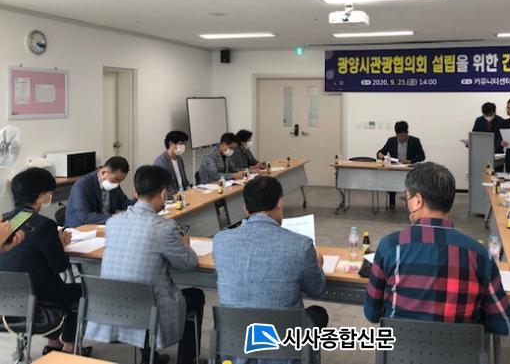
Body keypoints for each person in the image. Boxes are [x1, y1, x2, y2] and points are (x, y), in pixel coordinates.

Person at [364, 162, 510, 335]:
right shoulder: (480, 255)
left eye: (407, 198)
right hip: (460, 348)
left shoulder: (390, 246)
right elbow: (505, 325)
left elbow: (372, 314)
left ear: (418, 201)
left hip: (399, 347)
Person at [84, 165, 204, 364]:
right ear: (164, 193)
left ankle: (149, 357)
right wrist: (185, 244)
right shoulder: (164, 227)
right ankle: (187, 360)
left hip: (112, 304)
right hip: (148, 307)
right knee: (196, 295)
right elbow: (189, 263)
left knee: (141, 284)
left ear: (135, 192)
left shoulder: (113, 223)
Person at [213, 176, 328, 348]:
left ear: (245, 207)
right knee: (319, 314)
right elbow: (316, 290)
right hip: (283, 345)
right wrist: (318, 265)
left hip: (234, 343)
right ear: (279, 204)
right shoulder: (301, 245)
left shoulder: (220, 240)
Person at [0, 168, 90, 356]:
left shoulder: (5, 221)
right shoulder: (44, 225)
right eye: (49, 192)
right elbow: (61, 266)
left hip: (6, 300)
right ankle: (69, 347)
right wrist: (59, 245)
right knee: (84, 292)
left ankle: (53, 343)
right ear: (41, 195)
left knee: (51, 287)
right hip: (40, 298)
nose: (50, 196)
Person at [65, 156, 133, 228]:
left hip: (104, 225)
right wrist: (114, 217)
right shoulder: (82, 185)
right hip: (80, 228)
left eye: (120, 181)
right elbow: (84, 216)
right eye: (116, 180)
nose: (117, 184)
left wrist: (139, 206)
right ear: (103, 173)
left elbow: (123, 202)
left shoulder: (114, 183)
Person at [376, 121, 426, 209]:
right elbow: (380, 153)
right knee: (392, 182)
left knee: (411, 186)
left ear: (407, 133)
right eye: (400, 136)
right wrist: (381, 155)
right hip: (395, 168)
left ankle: (412, 203)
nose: (402, 138)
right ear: (396, 134)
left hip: (409, 169)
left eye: (404, 136)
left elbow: (422, 156)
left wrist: (410, 161)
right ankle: (392, 202)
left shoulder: (415, 141)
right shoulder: (391, 141)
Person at [153, 130, 191, 196]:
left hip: (183, 194)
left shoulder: (179, 159)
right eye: (181, 144)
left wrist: (189, 189)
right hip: (171, 197)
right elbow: (162, 188)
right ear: (170, 144)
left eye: (184, 144)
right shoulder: (160, 162)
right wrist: (177, 195)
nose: (183, 146)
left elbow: (185, 181)